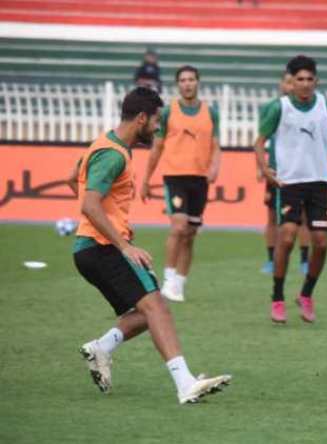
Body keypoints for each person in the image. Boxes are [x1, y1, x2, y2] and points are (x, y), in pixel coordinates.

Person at [71, 87, 230, 405]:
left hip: (92, 248)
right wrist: (123, 244)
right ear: (142, 118)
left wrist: (107, 220)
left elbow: (74, 176)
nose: (158, 128)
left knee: (148, 312)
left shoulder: (105, 145)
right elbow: (89, 204)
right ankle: (185, 384)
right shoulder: (113, 154)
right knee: (157, 307)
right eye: (156, 121)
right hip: (102, 247)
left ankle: (102, 347)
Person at [255, 55, 327, 324]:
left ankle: (306, 294)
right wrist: (265, 169)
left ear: (316, 81)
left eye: (310, 79)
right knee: (286, 237)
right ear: (292, 81)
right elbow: (259, 141)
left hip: (318, 182)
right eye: (300, 79)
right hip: (289, 183)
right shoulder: (281, 107)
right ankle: (277, 297)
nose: (305, 83)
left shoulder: (326, 106)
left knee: (321, 242)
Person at [141, 65, 222, 303]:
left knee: (190, 234)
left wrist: (215, 167)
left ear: (198, 82)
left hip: (200, 179)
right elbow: (157, 147)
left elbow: (216, 146)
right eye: (183, 80)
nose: (187, 84)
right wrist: (146, 179)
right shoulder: (168, 112)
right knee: (178, 226)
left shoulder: (211, 112)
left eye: (191, 79)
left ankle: (179, 283)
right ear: (178, 84)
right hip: (175, 176)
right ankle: (167, 280)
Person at [260, 71, 311, 276]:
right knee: (273, 217)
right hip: (276, 172)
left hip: (301, 172)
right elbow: (261, 140)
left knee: (304, 217)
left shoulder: (307, 108)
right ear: (282, 84)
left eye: (293, 82)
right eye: (288, 82)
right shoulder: (271, 108)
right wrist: (262, 168)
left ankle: (304, 260)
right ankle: (271, 259)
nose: (291, 86)